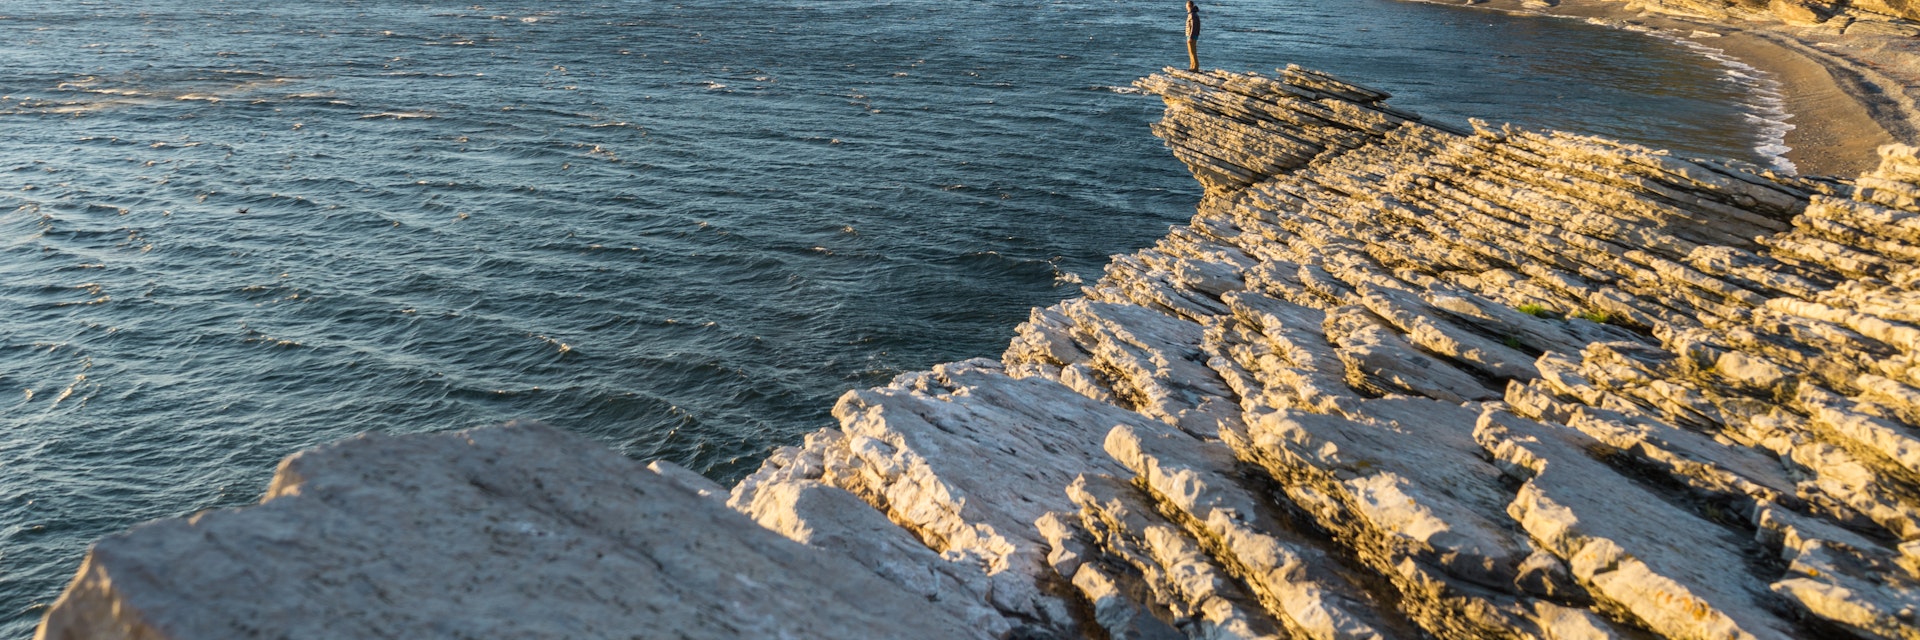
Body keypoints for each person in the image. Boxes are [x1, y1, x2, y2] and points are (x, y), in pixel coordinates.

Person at [1185, 0, 1200, 72]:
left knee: (1192, 51)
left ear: (1189, 6)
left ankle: (1195, 67)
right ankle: (1192, 65)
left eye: (1186, 5)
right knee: (1191, 51)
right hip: (1192, 35)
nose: (1186, 7)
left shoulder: (1192, 15)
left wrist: (1190, 36)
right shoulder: (1193, 14)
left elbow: (1193, 26)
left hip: (1191, 36)